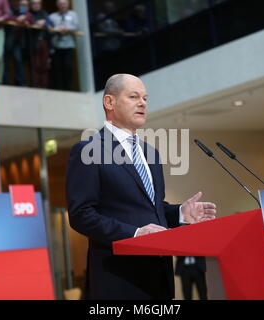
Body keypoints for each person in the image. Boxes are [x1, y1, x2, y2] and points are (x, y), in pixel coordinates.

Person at [66, 73, 217, 299]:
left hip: (159, 279)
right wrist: (134, 234)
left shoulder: (151, 154)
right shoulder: (89, 150)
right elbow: (81, 214)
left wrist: (179, 213)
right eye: (134, 96)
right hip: (119, 279)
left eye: (145, 98)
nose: (143, 103)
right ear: (109, 102)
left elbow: (153, 209)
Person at [49, 0, 79, 91]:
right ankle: (59, 89)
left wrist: (67, 29)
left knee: (68, 67)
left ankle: (68, 88)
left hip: (68, 45)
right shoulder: (52, 16)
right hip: (56, 46)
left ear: (68, 5)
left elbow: (77, 26)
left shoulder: (73, 14)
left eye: (64, 4)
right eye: (61, 4)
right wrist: (57, 29)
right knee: (57, 68)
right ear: (57, 5)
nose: (62, 6)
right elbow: (49, 28)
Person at [4, 0, 33, 86]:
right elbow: (6, 16)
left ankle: (21, 83)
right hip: (7, 38)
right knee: (5, 62)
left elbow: (29, 16)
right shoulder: (8, 6)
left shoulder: (21, 7)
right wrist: (17, 20)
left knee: (18, 61)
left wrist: (24, 19)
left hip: (18, 41)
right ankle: (6, 83)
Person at [28, 0, 53, 88]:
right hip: (33, 42)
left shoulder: (44, 13)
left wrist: (45, 23)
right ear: (31, 5)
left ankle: (44, 87)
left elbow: (51, 24)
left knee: (44, 65)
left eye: (38, 3)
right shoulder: (29, 14)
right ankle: (37, 87)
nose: (36, 5)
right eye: (34, 3)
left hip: (44, 42)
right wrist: (36, 23)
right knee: (36, 66)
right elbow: (28, 23)